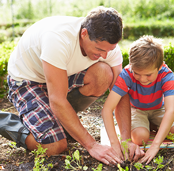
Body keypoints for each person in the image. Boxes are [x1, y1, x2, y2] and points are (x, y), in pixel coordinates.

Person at [2, 6, 143, 165]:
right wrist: (92, 145)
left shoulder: (107, 48)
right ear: (84, 34)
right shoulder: (57, 39)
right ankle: (5, 121)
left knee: (104, 74)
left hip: (61, 76)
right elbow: (57, 99)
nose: (104, 55)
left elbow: (121, 92)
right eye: (99, 49)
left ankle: (60, 120)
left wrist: (126, 141)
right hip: (28, 80)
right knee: (55, 145)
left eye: (108, 50)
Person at [101, 35, 174, 164]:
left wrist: (155, 145)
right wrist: (115, 143)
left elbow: (170, 111)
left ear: (159, 67)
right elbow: (107, 109)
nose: (142, 79)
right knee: (140, 138)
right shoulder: (126, 74)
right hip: (137, 110)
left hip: (159, 109)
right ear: (131, 66)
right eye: (137, 73)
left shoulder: (166, 74)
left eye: (148, 75)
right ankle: (150, 126)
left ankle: (153, 124)